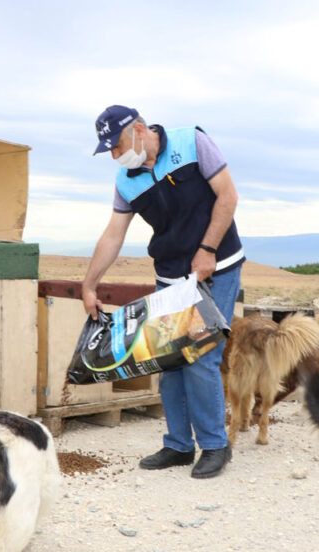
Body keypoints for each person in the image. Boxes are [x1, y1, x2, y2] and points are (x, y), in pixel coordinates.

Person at [82, 105, 244, 479]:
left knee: (200, 354)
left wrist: (207, 250)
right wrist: (89, 284)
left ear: (139, 129)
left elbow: (228, 197)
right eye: (108, 150)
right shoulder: (126, 180)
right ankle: (178, 445)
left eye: (118, 145)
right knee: (167, 359)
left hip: (216, 267)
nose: (115, 155)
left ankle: (215, 445)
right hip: (172, 275)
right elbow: (113, 236)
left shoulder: (192, 142)